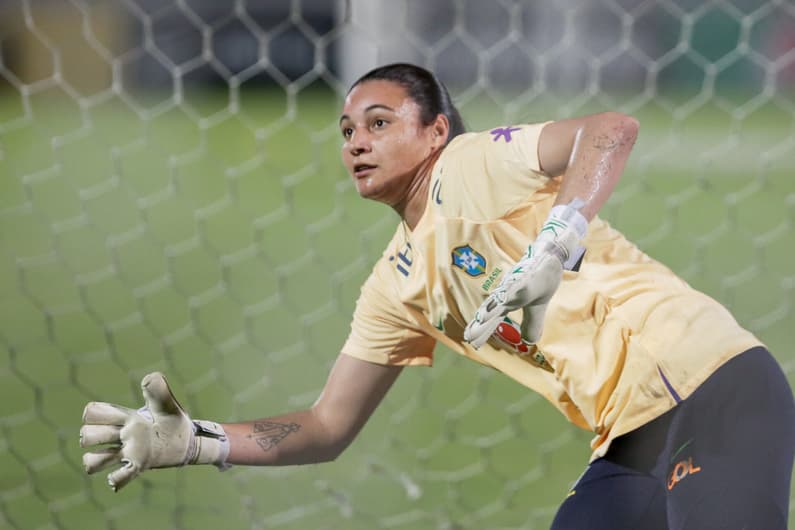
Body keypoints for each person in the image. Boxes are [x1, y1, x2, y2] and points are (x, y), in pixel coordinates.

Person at [80, 63, 795, 529]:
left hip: (710, 384)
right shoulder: (394, 283)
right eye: (347, 130)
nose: (356, 141)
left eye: (380, 121)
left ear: (436, 132)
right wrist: (199, 441)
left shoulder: (474, 162)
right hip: (627, 439)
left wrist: (553, 247)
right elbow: (329, 425)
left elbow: (611, 130)